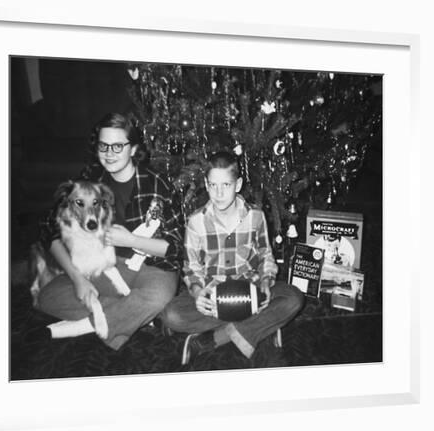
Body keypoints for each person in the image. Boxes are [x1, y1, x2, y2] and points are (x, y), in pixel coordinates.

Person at [28, 113, 184, 350]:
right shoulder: (89, 180)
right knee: (47, 297)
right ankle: (133, 316)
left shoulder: (157, 184)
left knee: (158, 296)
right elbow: (49, 229)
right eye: (104, 145)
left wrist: (131, 239)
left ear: (133, 149)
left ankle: (86, 325)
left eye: (118, 146)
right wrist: (77, 278)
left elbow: (175, 249)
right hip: (102, 266)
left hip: (150, 266)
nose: (109, 153)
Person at [161, 151, 304, 365]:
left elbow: (266, 255)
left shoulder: (255, 216)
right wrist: (199, 293)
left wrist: (266, 281)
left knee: (294, 298)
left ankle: (216, 338)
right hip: (214, 295)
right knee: (171, 315)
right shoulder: (195, 222)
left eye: (225, 185)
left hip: (251, 293)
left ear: (237, 185)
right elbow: (191, 269)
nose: (219, 193)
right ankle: (257, 327)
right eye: (213, 185)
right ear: (207, 185)